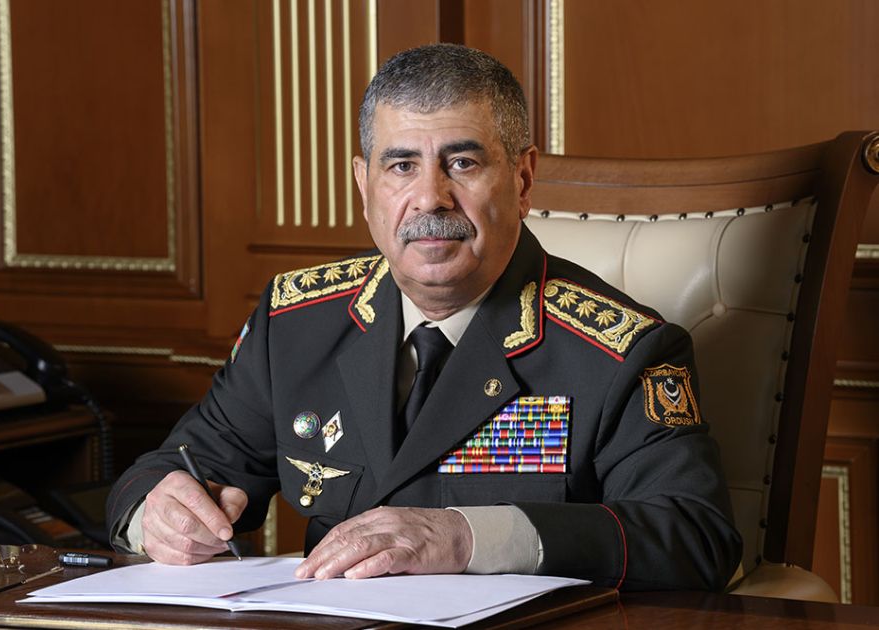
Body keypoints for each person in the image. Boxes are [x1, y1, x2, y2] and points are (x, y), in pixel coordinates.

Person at [107, 43, 741, 590]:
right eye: (401, 165)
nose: (430, 198)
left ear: (522, 180)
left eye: (462, 163)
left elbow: (695, 534)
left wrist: (466, 537)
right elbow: (171, 470)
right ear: (365, 185)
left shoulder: (621, 350)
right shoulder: (297, 323)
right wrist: (158, 514)